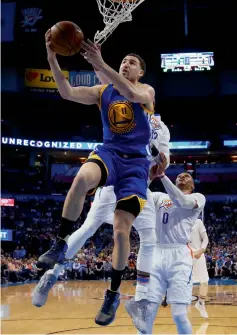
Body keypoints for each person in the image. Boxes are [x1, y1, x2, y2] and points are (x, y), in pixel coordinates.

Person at [35, 32, 155, 326]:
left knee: (121, 231)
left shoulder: (147, 92)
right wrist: (52, 58)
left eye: (131, 63)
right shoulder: (103, 92)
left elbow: (131, 93)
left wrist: (101, 64)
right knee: (80, 180)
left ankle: (113, 294)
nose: (126, 65)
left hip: (136, 165)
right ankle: (60, 243)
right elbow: (66, 92)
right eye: (123, 61)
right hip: (110, 152)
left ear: (140, 72)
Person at [32, 114, 170, 315]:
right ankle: (52, 274)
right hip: (115, 181)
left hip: (138, 185)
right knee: (89, 227)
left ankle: (141, 298)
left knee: (148, 238)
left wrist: (158, 164)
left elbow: (161, 166)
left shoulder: (159, 127)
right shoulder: (126, 111)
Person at [125, 153, 206, 334]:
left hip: (180, 257)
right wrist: (150, 176)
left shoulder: (198, 198)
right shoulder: (159, 197)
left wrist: (162, 176)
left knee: (179, 314)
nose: (182, 176)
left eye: (187, 176)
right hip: (156, 254)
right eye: (180, 174)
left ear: (192, 185)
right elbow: (140, 193)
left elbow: (181, 201)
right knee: (147, 314)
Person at [190, 217, 209, 318]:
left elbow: (205, 238)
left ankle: (201, 303)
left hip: (198, 255)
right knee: (184, 283)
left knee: (204, 281)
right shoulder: (179, 221)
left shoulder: (197, 221)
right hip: (184, 256)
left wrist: (201, 250)